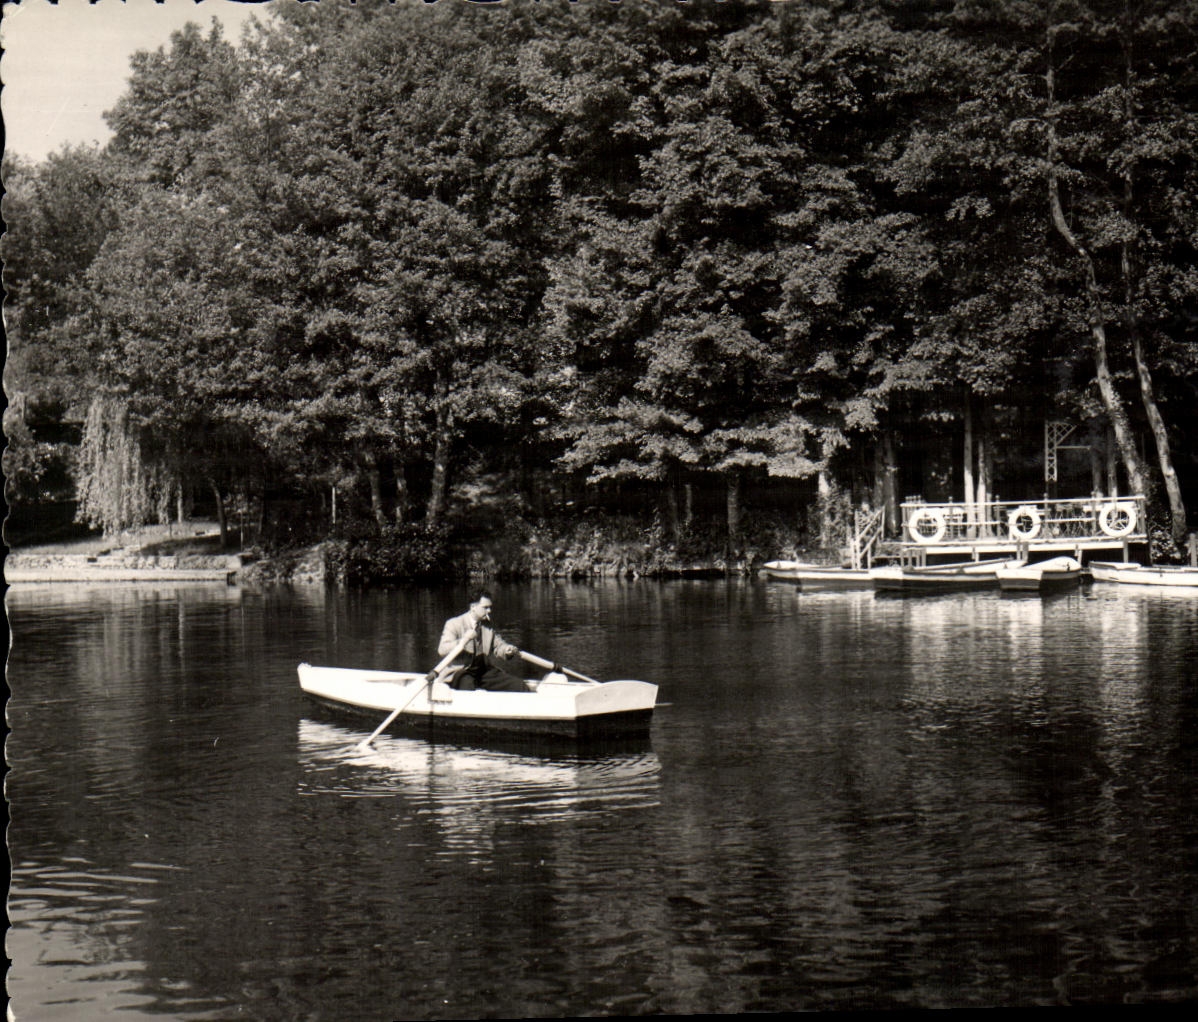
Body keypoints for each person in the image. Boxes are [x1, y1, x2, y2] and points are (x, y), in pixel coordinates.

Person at [437, 590, 531, 692]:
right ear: (473, 607)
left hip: (482, 671)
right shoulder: (454, 623)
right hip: (460, 672)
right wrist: (463, 640)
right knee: (468, 688)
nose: (489, 611)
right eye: (485, 607)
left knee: (520, 686)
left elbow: (498, 645)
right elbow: (442, 650)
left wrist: (506, 650)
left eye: (490, 607)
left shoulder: (487, 625)